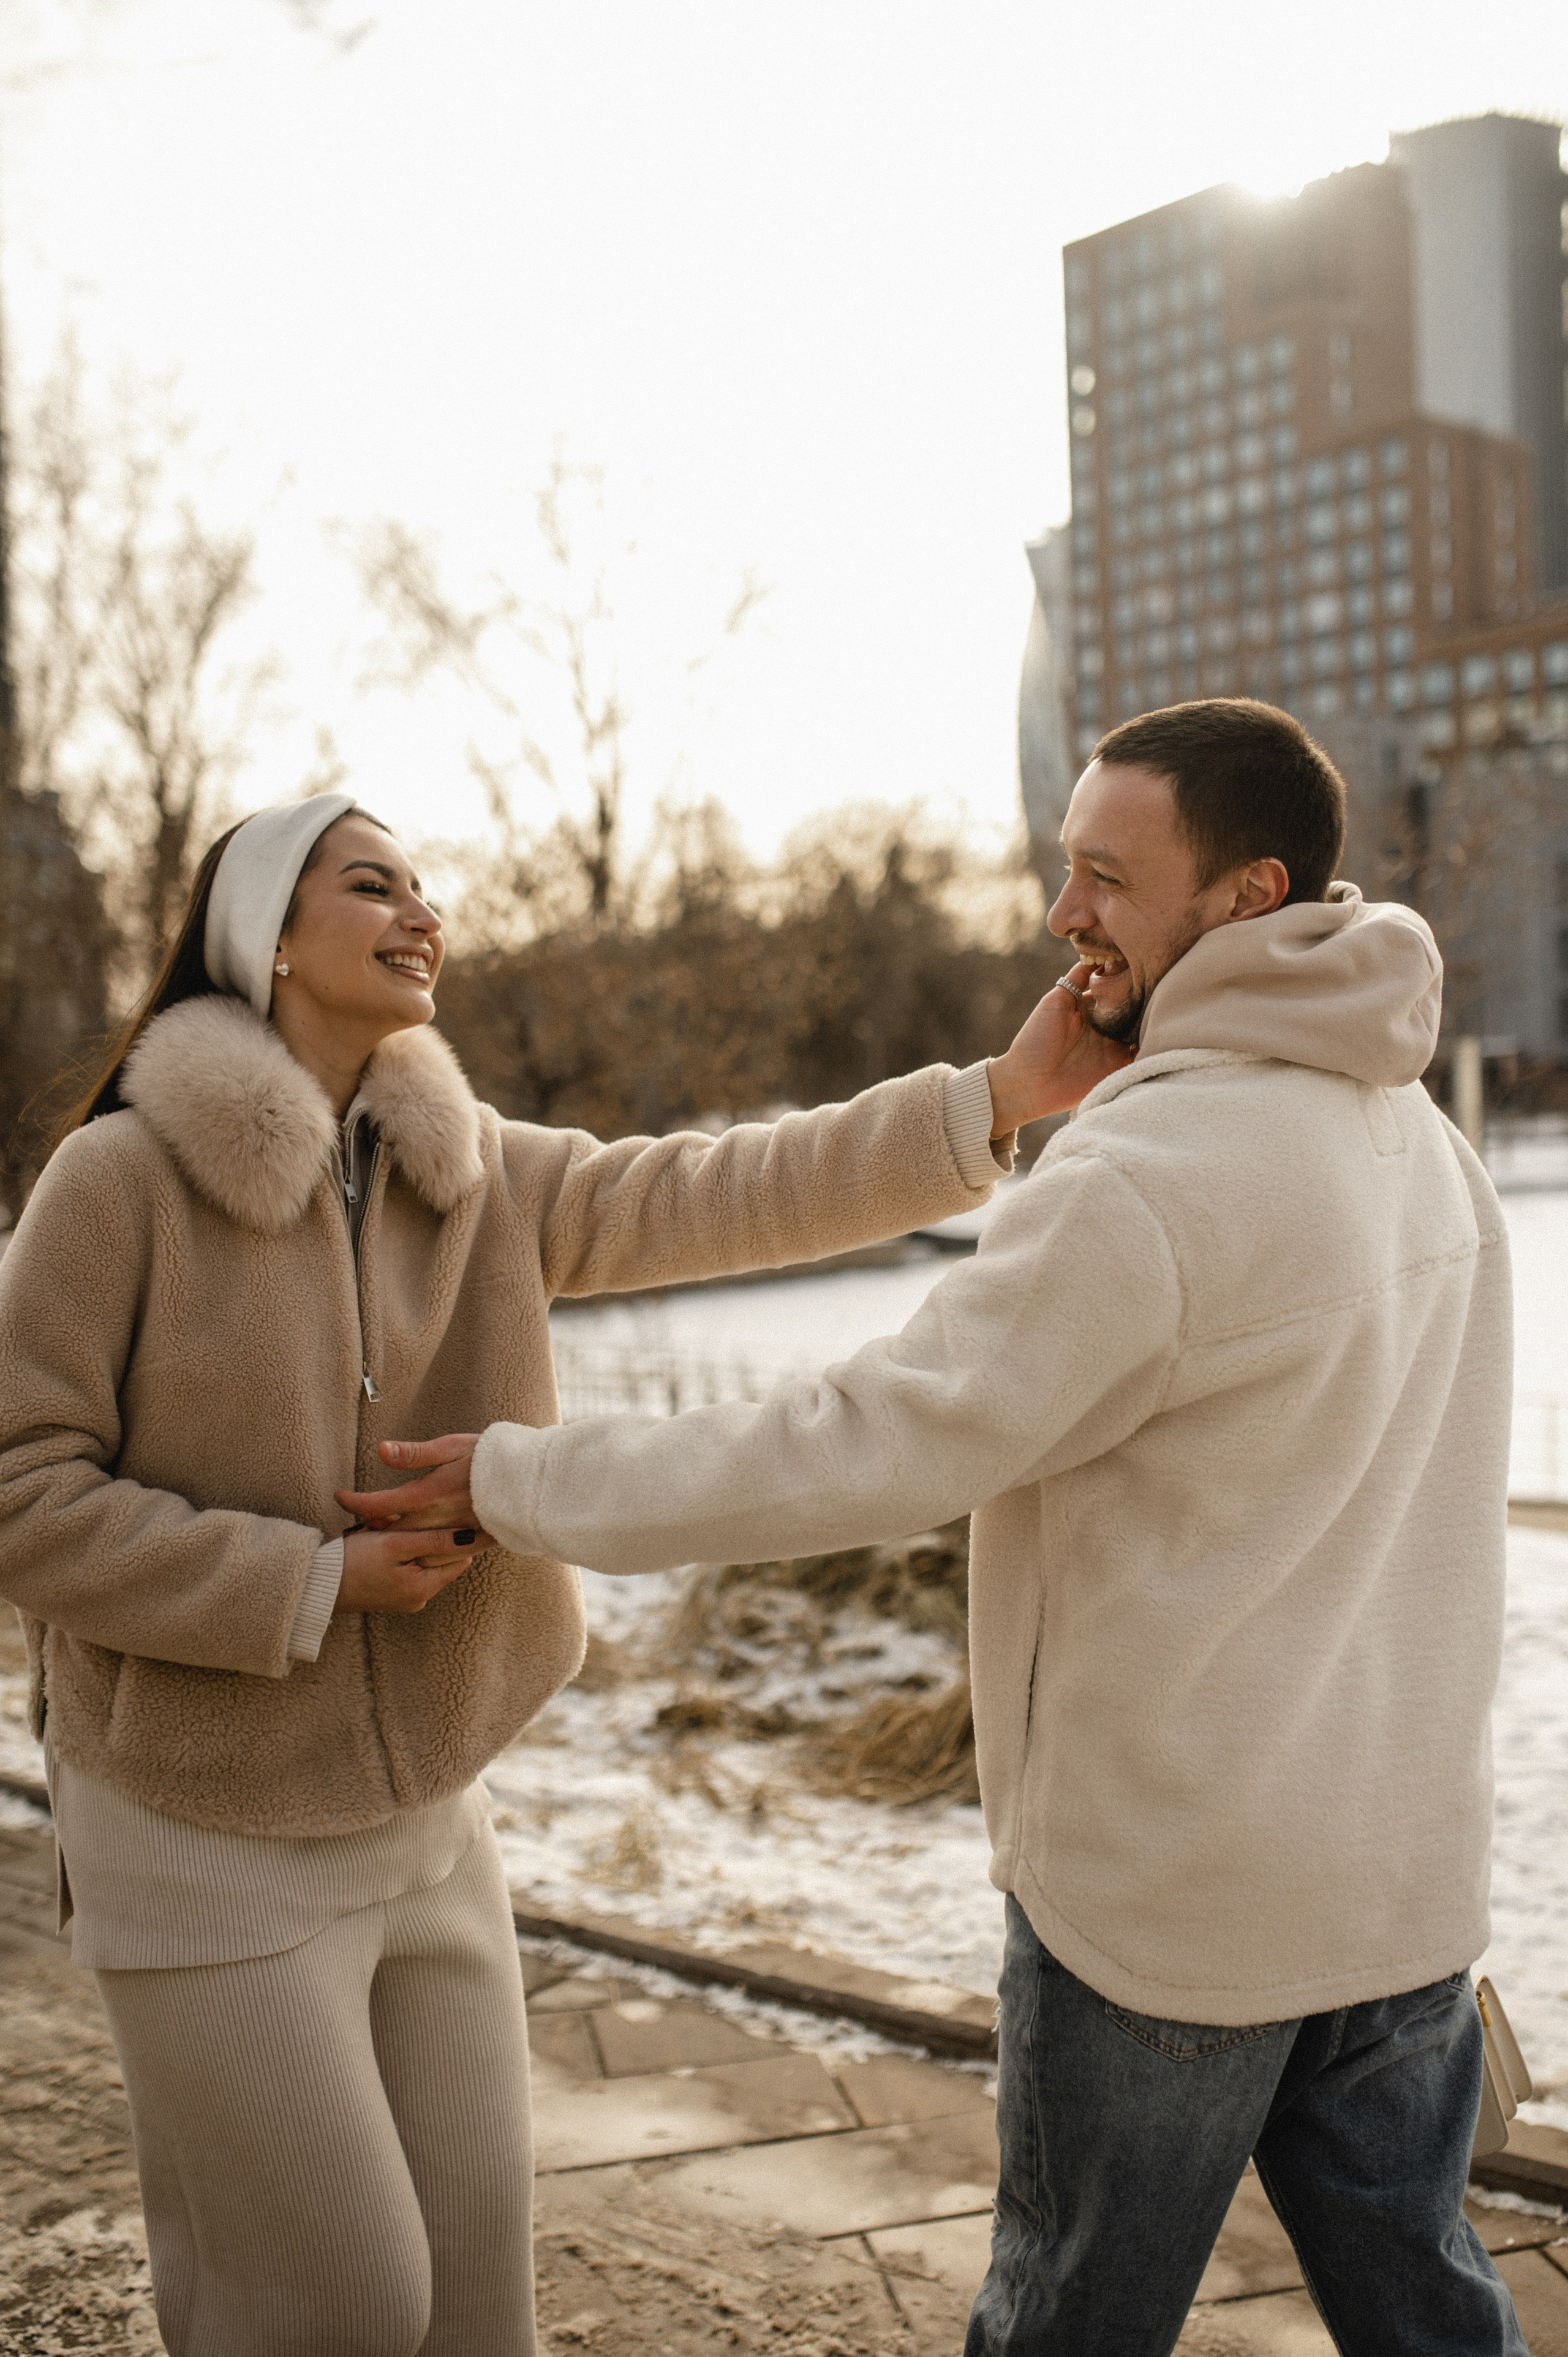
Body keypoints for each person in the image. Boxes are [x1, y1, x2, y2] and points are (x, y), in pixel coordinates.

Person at [357, 701, 1525, 2355]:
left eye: (1106, 876)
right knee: (1431, 2314)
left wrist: (516, 1479)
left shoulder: (1145, 1181)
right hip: (1398, 1891)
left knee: (1066, 2326)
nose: (1062, 914)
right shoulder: (1427, 1147)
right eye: (1066, 867)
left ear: (1249, 893)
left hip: (1166, 1914)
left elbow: (857, 1445)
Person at [0, 788, 1080, 2357]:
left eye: (422, 885)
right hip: (196, 1826)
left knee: (474, 2308)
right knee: (335, 2302)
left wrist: (996, 1096)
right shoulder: (119, 1184)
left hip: (431, 1818)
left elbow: (726, 1186)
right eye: (371, 885)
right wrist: (307, 1580)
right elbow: (21, 1493)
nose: (420, 911)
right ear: (266, 938)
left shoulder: (477, 1172)